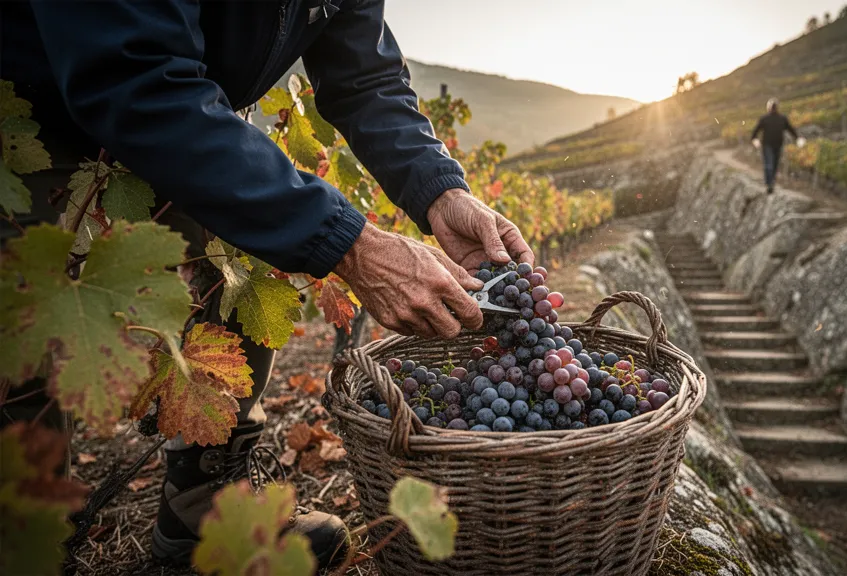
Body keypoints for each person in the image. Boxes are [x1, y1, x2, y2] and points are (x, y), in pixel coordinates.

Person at [0, 0, 533, 569]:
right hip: (30, 108)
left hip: (189, 107)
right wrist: (353, 245)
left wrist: (440, 191)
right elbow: (131, 73)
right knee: (19, 333)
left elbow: (366, 77)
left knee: (244, 267)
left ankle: (204, 504)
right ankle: (23, 539)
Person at [750, 98, 803, 194]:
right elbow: (755, 132)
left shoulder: (782, 119)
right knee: (769, 164)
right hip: (767, 145)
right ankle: (769, 184)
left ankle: (771, 182)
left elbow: (791, 129)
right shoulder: (766, 119)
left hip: (778, 145)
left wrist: (797, 138)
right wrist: (755, 140)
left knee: (774, 165)